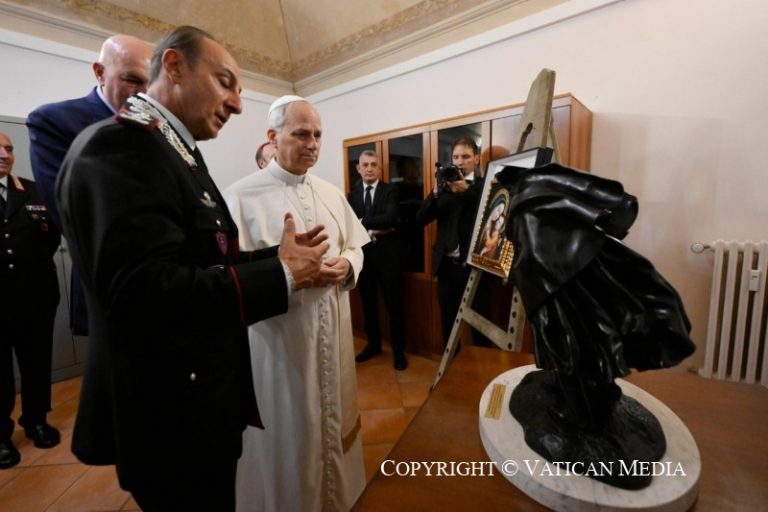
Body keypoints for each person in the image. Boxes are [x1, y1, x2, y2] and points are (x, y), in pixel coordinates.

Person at [55, 26, 329, 511]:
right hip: (169, 413)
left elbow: (202, 258)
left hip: (199, 401)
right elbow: (142, 292)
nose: (237, 104)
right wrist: (282, 276)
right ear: (174, 66)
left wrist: (277, 259)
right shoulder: (121, 147)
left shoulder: (171, 150)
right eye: (225, 82)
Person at [224, 95, 368, 512]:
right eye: (301, 134)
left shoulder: (331, 193)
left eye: (318, 135)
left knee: (334, 422)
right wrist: (289, 275)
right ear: (273, 137)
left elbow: (356, 245)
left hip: (334, 333)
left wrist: (347, 264)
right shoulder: (240, 198)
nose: (313, 144)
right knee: (292, 433)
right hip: (280, 345)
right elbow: (231, 278)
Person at [27, 34, 153, 336]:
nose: (145, 94)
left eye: (152, 83)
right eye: (133, 80)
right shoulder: (57, 121)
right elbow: (75, 218)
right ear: (99, 72)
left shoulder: (156, 125)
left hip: (170, 286)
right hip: (112, 285)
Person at [0, 132, 61, 469]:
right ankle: (1, 434)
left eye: (8, 148)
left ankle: (36, 421)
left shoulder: (34, 190)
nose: (4, 154)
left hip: (34, 295)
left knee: (37, 363)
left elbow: (50, 237)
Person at [416, 137, 491, 347]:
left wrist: (466, 191)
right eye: (456, 157)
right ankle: (451, 364)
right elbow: (420, 219)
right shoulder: (443, 188)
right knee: (448, 324)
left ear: (476, 159)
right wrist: (435, 193)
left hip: (476, 268)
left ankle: (483, 366)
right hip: (447, 269)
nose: (459, 161)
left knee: (481, 325)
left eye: (465, 156)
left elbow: (490, 216)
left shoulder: (484, 186)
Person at [348, 150, 408, 370]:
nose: (369, 168)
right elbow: (349, 223)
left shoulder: (390, 190)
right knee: (368, 305)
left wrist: (362, 221)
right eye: (365, 165)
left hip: (389, 258)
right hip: (364, 259)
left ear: (380, 168)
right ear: (358, 168)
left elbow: (390, 218)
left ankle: (399, 352)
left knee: (394, 306)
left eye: (374, 164)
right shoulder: (352, 195)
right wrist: (376, 225)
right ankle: (373, 345)